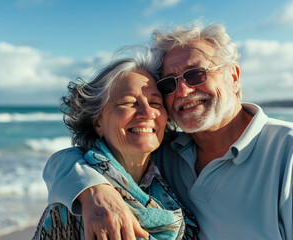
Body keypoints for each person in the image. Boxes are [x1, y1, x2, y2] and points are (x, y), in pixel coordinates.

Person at [43, 23, 293, 240]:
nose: (183, 91)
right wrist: (94, 191)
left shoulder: (286, 151)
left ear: (234, 76)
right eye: (169, 83)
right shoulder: (168, 152)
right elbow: (69, 160)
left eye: (195, 74)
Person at [33, 52, 198, 239]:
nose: (147, 112)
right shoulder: (79, 210)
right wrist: (92, 192)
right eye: (129, 103)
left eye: (155, 102)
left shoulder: (174, 174)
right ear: (97, 122)